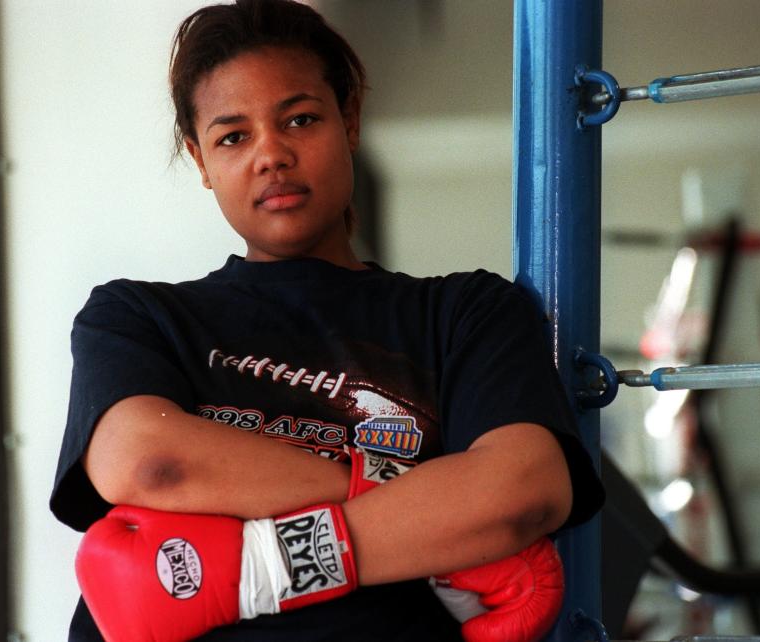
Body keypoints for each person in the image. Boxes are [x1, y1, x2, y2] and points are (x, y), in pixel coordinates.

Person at [50, 1, 605, 640]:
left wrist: (255, 568)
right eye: (233, 136)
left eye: (301, 119)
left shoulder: (466, 313)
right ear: (200, 160)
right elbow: (150, 463)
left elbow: (522, 493)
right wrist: (427, 506)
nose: (271, 155)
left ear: (350, 120)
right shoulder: (137, 317)